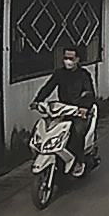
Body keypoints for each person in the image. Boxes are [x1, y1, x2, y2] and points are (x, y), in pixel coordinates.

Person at [31, 46, 95, 176]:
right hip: (61, 110)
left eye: (71, 58)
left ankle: (78, 161)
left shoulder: (83, 75)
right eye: (66, 58)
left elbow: (89, 93)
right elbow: (48, 87)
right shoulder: (59, 74)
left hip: (78, 111)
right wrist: (37, 101)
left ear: (77, 59)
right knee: (44, 129)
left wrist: (84, 107)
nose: (68, 61)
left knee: (77, 132)